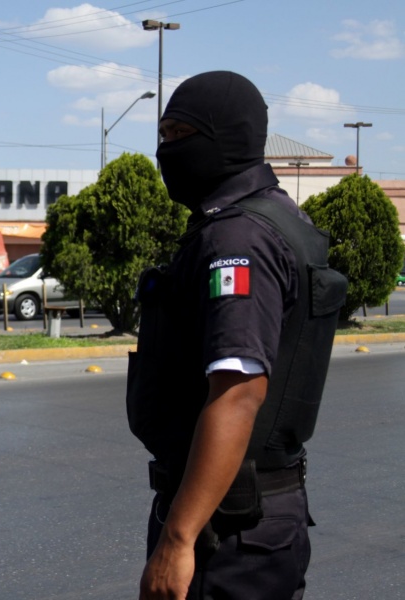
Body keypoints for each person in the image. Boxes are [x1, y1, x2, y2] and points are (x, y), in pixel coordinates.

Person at [126, 71, 347, 599]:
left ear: (231, 136)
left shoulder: (238, 237)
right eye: (165, 135)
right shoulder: (277, 217)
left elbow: (240, 393)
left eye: (184, 134)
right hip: (252, 519)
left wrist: (179, 540)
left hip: (225, 531)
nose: (168, 149)